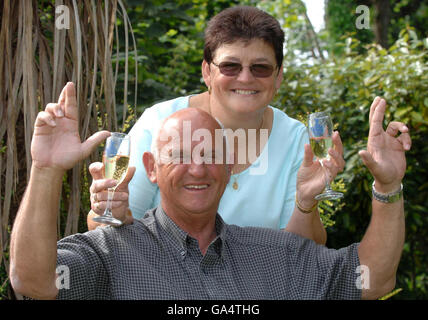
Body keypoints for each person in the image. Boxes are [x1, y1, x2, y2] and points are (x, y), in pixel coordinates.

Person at [10, 82, 411, 299]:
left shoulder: (274, 254)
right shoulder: (112, 252)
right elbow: (33, 282)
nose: (198, 166)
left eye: (211, 153)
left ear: (230, 165)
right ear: (150, 167)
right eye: (181, 153)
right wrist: (46, 170)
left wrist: (387, 185)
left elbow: (372, 281)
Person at [87, 6, 346, 244]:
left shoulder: (293, 138)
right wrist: (112, 213)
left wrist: (307, 204)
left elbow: (305, 250)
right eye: (230, 66)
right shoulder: (160, 123)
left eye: (261, 68)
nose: (245, 78)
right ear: (207, 72)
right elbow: (104, 228)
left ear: (278, 77)